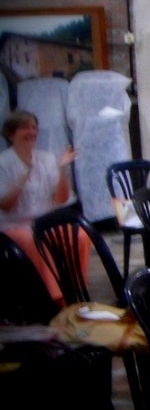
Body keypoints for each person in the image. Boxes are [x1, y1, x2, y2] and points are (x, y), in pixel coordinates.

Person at [0, 110, 90, 304]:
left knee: (81, 235)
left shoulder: (45, 158)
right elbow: (6, 206)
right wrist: (23, 175)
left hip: (44, 221)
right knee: (34, 240)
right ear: (11, 134)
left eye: (34, 127)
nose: (32, 132)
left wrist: (62, 169)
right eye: (25, 127)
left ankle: (78, 292)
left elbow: (60, 199)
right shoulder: (3, 163)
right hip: (14, 226)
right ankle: (57, 300)